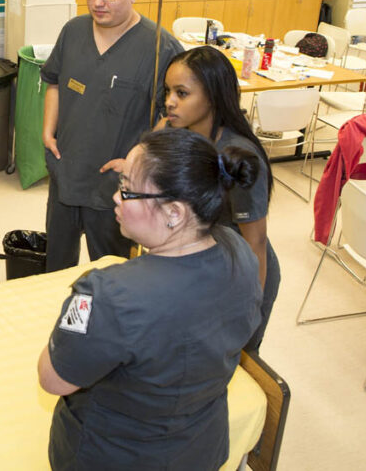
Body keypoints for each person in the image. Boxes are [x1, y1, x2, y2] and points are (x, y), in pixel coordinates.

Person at [38, 128, 262, 470]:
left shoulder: (108, 294)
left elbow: (53, 379)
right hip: (199, 449)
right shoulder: (240, 252)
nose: (116, 197)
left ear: (174, 212)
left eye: (127, 189)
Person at [41, 0, 183, 272]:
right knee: (56, 267)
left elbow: (175, 116)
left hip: (116, 186)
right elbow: (53, 81)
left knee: (112, 272)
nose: (97, 2)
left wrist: (138, 158)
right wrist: (48, 129)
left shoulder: (160, 48)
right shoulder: (73, 32)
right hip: (67, 171)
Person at [159, 46, 279, 351]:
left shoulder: (237, 155)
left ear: (212, 96)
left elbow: (256, 243)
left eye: (182, 94)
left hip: (243, 268)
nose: (169, 102)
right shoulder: (179, 132)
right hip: (203, 259)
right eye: (168, 91)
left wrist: (250, 309)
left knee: (232, 361)